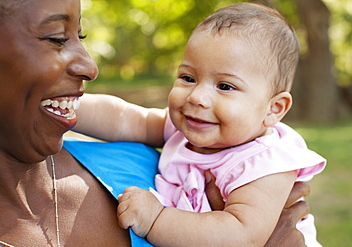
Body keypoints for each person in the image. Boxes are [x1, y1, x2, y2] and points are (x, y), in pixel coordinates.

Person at [0, 0, 314, 246]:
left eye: (225, 87)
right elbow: (124, 118)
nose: (198, 97)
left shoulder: (265, 161)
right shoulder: (186, 129)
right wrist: (64, 108)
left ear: (274, 109)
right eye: (188, 78)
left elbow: (242, 236)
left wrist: (157, 220)